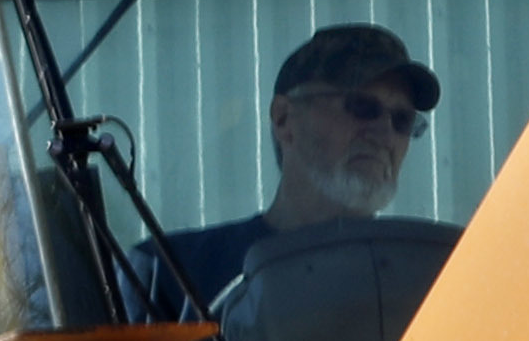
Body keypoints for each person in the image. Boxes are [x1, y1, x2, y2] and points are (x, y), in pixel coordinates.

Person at [155, 22, 441, 305]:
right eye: (361, 107)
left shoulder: (433, 280)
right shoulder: (168, 275)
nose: (385, 133)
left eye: (402, 120)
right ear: (283, 118)